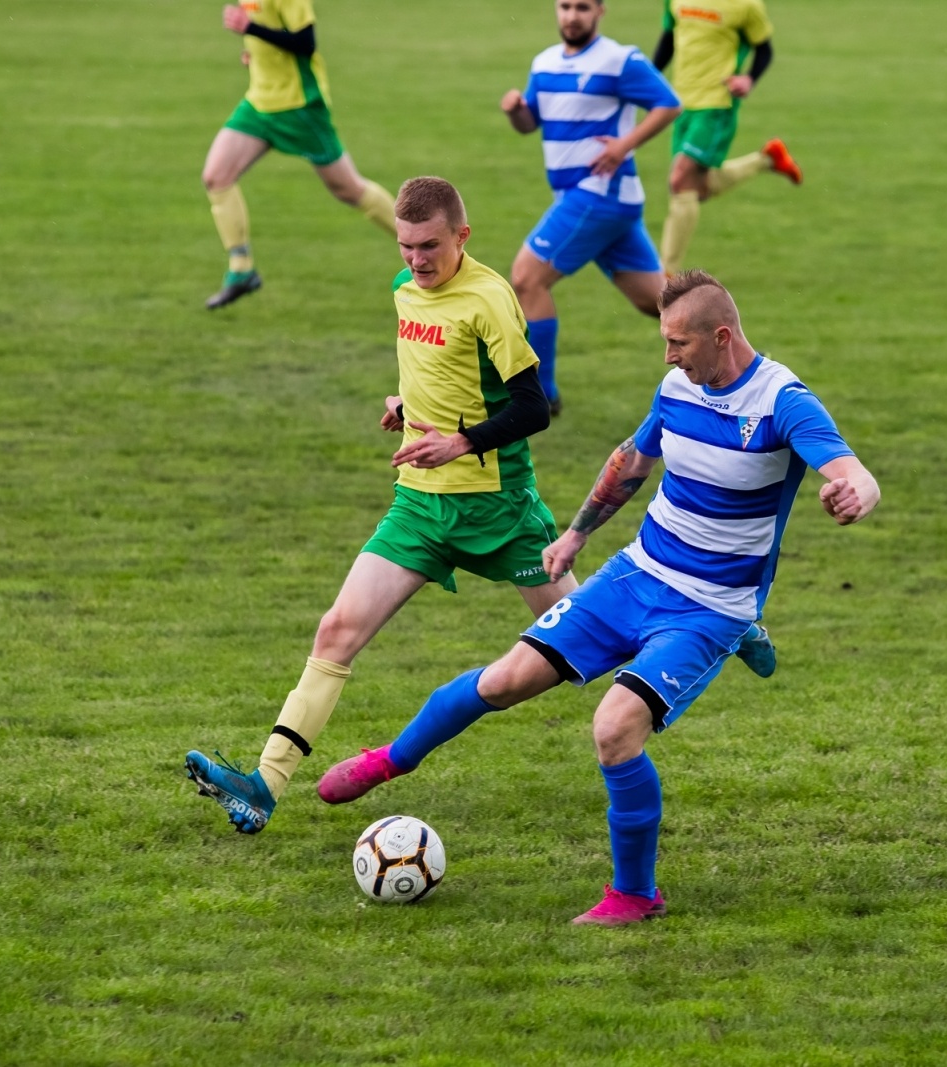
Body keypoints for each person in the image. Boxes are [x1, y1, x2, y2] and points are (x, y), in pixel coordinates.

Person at [317, 270, 881, 925]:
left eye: (678, 343)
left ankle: (636, 894)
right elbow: (630, 462)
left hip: (709, 606)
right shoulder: (677, 389)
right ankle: (391, 760)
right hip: (635, 574)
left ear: (722, 337)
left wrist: (853, 495)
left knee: (615, 728)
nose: (667, 355)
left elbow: (855, 472)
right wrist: (575, 536)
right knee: (505, 680)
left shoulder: (783, 402)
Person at [185, 177, 578, 833]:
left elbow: (534, 407)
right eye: (405, 246)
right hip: (420, 507)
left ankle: (711, 622)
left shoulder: (489, 299)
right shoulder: (403, 290)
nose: (417, 260)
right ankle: (262, 785)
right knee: (336, 629)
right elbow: (436, 373)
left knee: (585, 643)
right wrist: (405, 405)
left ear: (462, 236)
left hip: (499, 511)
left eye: (430, 246)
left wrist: (461, 442)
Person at [499, 0, 682, 414]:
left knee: (527, 278)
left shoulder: (619, 60)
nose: (572, 15)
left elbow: (669, 103)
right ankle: (741, 361)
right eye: (565, 6)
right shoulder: (544, 63)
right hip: (593, 202)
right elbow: (530, 124)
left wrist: (623, 146)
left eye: (582, 7)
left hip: (598, 194)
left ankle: (541, 396)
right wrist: (516, 111)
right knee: (659, 303)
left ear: (600, 10)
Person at [200, 0, 398, 310]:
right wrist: (256, 55)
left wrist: (249, 28)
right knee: (216, 177)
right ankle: (242, 270)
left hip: (300, 106)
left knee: (349, 188)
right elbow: (270, 35)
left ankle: (426, 245)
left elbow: (305, 42)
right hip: (259, 103)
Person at [652, 0, 803, 276]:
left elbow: (764, 49)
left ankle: (667, 276)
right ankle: (767, 159)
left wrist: (749, 79)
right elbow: (669, 39)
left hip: (717, 104)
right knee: (695, 189)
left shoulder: (746, 5)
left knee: (680, 179)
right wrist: (647, 81)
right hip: (681, 102)